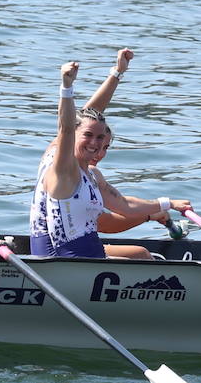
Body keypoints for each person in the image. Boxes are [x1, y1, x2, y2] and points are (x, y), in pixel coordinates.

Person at [30, 61, 190, 259]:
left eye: (101, 141)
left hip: (86, 254)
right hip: (67, 263)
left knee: (141, 255)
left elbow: (125, 205)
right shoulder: (63, 171)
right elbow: (67, 127)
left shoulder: (90, 173)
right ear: (73, 135)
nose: (95, 145)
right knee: (147, 262)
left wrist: (168, 203)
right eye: (88, 136)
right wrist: (67, 86)